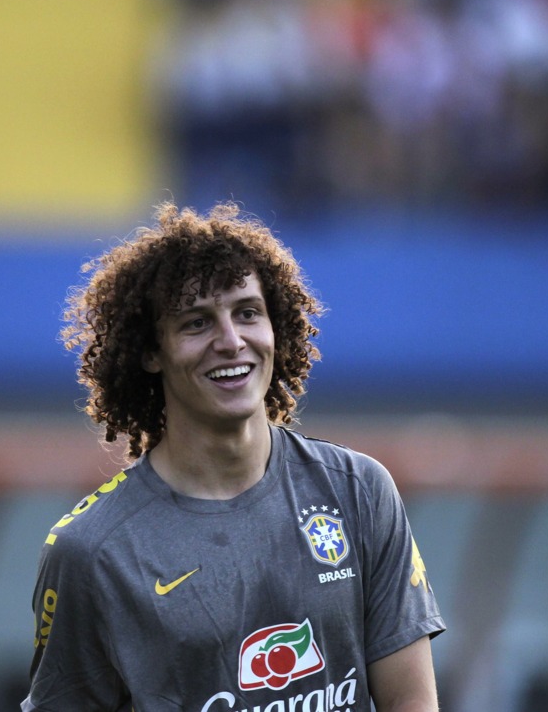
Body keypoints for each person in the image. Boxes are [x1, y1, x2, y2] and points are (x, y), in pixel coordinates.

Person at [22, 202, 444, 711]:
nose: (231, 341)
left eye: (247, 313)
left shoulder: (357, 490)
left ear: (275, 326)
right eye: (196, 323)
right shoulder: (90, 551)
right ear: (151, 353)